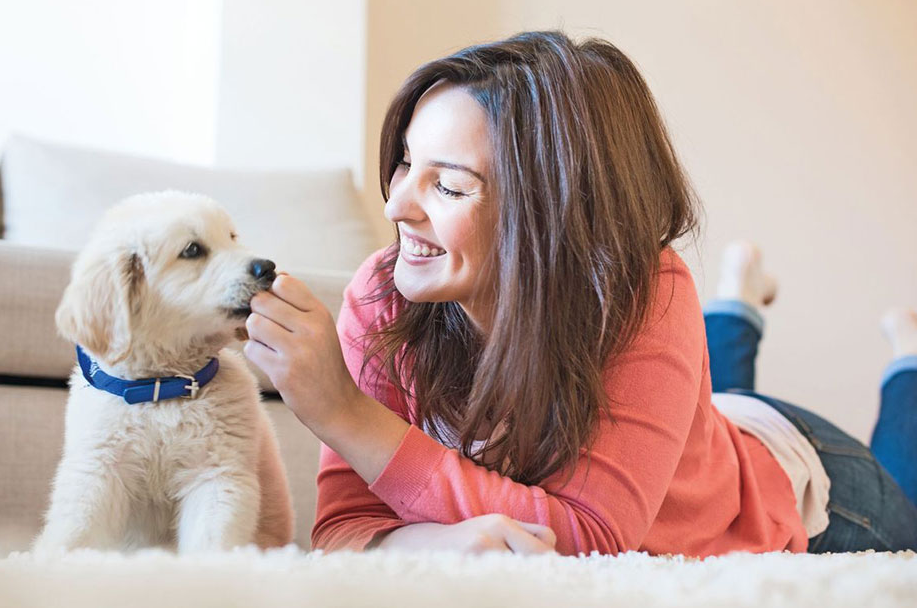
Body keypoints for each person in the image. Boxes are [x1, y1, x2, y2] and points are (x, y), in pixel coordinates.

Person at [242, 31, 917, 556]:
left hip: (803, 482)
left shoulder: (639, 289)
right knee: (700, 414)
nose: (397, 206)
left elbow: (593, 539)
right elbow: (345, 530)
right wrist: (435, 541)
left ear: (552, 212)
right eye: (405, 165)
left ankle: (904, 361)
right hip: (701, 432)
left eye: (446, 186)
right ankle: (738, 306)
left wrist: (344, 414)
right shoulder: (384, 296)